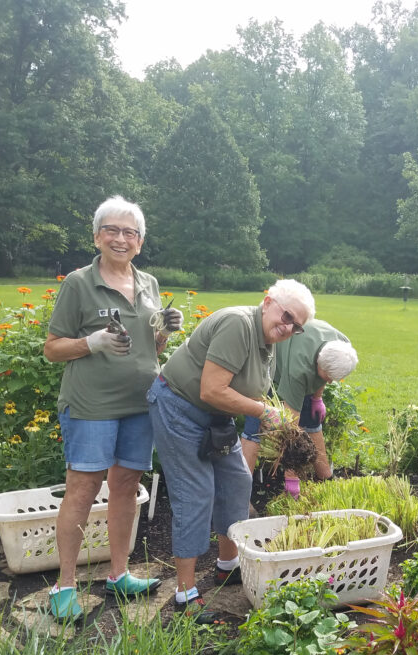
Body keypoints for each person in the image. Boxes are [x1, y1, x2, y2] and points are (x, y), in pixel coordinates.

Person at [43, 196, 184, 621]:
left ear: (140, 242)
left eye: (130, 232)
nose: (121, 239)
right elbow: (52, 349)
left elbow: (151, 347)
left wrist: (165, 331)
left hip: (141, 403)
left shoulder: (149, 284)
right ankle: (64, 584)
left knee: (126, 488)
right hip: (91, 405)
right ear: (96, 236)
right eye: (112, 230)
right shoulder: (79, 283)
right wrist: (92, 342)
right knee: (82, 489)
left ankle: (118, 574)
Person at [148, 279, 315, 622]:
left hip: (215, 419)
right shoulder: (238, 324)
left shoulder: (268, 344)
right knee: (196, 494)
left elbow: (250, 392)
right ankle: (185, 593)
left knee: (238, 480)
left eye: (296, 326)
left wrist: (283, 430)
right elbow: (211, 390)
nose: (288, 327)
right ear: (267, 302)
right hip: (179, 408)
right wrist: (265, 412)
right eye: (286, 316)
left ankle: (227, 566)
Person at [240, 320, 358, 497]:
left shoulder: (342, 346)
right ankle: (242, 496)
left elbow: (323, 375)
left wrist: (317, 398)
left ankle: (326, 482)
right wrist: (292, 476)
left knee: (311, 417)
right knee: (254, 426)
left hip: (305, 355)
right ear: (317, 363)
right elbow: (291, 428)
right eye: (328, 376)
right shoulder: (298, 371)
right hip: (267, 364)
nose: (330, 382)